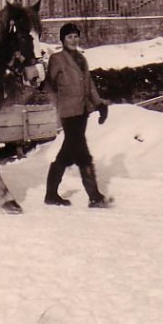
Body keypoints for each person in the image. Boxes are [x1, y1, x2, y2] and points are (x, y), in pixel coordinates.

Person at [44, 23, 111, 208]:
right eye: (69, 37)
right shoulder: (57, 59)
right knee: (82, 153)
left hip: (82, 112)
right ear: (63, 40)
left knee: (66, 154)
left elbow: (89, 85)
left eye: (75, 36)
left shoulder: (82, 59)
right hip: (68, 112)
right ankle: (94, 196)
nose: (73, 40)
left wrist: (99, 104)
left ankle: (50, 195)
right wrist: (57, 105)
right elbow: (49, 85)